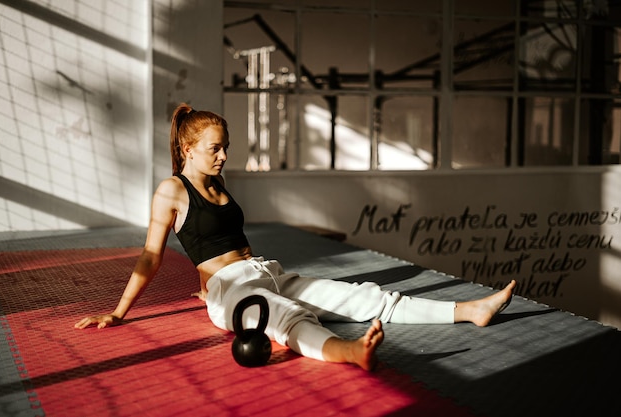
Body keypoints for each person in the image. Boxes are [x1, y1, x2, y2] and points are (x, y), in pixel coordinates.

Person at [75, 103, 516, 371]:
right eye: (215, 148)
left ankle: (468, 310)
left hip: (266, 270)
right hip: (231, 289)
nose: (224, 155)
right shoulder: (171, 189)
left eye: (225, 145)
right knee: (283, 317)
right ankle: (349, 352)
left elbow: (213, 237)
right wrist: (117, 313)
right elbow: (151, 257)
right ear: (188, 150)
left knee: (363, 297)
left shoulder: (219, 183)